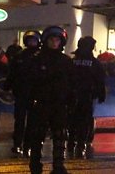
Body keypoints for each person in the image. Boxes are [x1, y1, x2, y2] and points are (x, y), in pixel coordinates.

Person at [26, 25, 75, 174]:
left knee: (60, 135)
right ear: (46, 41)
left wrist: (71, 99)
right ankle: (35, 164)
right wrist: (30, 99)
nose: (54, 43)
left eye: (57, 40)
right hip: (42, 103)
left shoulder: (66, 61)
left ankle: (58, 165)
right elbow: (30, 81)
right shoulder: (37, 59)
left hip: (59, 104)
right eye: (52, 40)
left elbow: (71, 82)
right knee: (37, 135)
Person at [68, 36, 106, 158]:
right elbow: (100, 79)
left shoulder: (73, 61)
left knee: (72, 119)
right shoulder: (94, 63)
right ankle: (82, 142)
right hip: (87, 95)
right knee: (85, 119)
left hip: (74, 94)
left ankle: (71, 142)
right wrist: (101, 93)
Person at [8, 30, 41, 155]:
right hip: (21, 92)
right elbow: (12, 73)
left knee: (33, 121)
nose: (31, 43)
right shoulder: (19, 56)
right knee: (19, 120)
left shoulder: (41, 56)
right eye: (29, 40)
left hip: (35, 93)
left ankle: (28, 145)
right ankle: (17, 143)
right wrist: (8, 85)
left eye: (34, 40)